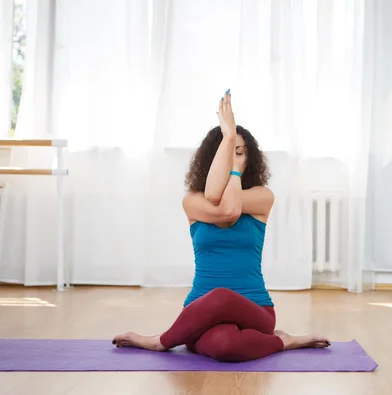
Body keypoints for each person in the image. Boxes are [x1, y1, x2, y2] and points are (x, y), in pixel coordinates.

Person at [112, 90, 330, 362]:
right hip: (199, 311)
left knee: (221, 297)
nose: (232, 158)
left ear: (250, 158)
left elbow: (230, 210)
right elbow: (218, 200)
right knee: (225, 346)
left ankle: (159, 341)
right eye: (225, 154)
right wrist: (227, 137)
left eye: (239, 152)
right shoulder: (192, 201)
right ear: (211, 159)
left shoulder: (262, 197)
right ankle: (281, 342)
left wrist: (233, 165)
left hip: (256, 310)